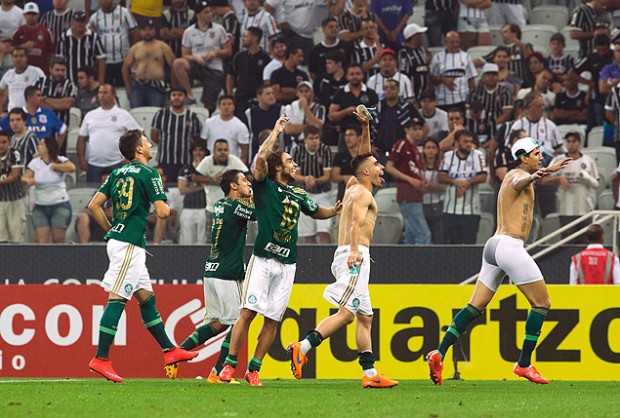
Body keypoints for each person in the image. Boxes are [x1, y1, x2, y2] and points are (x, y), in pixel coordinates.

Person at [426, 137, 571, 386]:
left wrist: (540, 175)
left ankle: (439, 352)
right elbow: (519, 180)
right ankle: (523, 363)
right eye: (536, 154)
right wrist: (540, 174)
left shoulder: (519, 176)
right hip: (508, 246)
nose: (540, 157)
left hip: (494, 246)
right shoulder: (516, 175)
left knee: (475, 306)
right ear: (523, 158)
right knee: (542, 303)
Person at [218, 115, 341, 386]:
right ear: (277, 168)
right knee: (248, 312)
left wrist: (333, 210)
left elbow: (315, 210)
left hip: (288, 264)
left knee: (272, 319)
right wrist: (275, 130)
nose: (294, 164)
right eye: (289, 161)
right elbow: (260, 159)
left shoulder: (297, 194)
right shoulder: (264, 186)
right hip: (262, 259)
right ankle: (228, 366)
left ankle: (254, 369)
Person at [287, 107, 398, 388]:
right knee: (347, 314)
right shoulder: (361, 193)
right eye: (377, 166)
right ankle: (303, 347)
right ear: (366, 172)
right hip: (354, 255)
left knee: (365, 317)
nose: (381, 167)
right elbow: (356, 224)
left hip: (353, 254)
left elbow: (362, 159)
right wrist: (354, 251)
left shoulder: (353, 183)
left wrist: (365, 128)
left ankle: (370, 374)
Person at [87, 129, 198, 383]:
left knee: (146, 299)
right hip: (128, 246)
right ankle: (100, 358)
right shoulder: (150, 173)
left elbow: (93, 205)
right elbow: (161, 212)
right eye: (147, 142)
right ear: (139, 149)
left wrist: (112, 230)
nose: (150, 145)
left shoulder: (116, 173)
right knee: (117, 299)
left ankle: (170, 351)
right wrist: (168, 206)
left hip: (125, 241)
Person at [166, 169, 256, 382]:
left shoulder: (219, 204)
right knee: (238, 322)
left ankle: (176, 354)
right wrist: (257, 197)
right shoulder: (235, 206)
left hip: (212, 270)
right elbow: (258, 215)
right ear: (233, 186)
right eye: (244, 181)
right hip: (227, 273)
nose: (248, 183)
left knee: (218, 323)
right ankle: (219, 372)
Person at [172, 0, 233, 111]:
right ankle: (189, 95)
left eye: (210, 11)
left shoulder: (219, 29)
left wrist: (215, 53)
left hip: (214, 68)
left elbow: (228, 51)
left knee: (208, 105)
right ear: (198, 15)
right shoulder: (188, 31)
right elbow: (184, 54)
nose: (210, 14)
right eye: (206, 12)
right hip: (197, 64)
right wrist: (195, 57)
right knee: (178, 63)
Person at [541, 132, 599, 242]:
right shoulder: (558, 160)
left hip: (585, 210)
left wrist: (587, 178)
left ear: (579, 143)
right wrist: (558, 178)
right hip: (566, 210)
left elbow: (596, 184)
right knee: (567, 245)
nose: (571, 144)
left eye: (574, 141)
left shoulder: (588, 160)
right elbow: (543, 179)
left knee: (585, 244)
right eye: (569, 142)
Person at [78, 84, 142, 183]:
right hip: (93, 164)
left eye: (105, 92)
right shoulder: (90, 115)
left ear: (113, 95)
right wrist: (81, 159)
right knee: (94, 195)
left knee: (118, 195)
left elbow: (139, 135)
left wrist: (132, 156)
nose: (102, 95)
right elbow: (81, 138)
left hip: (117, 163)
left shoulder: (122, 114)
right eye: (100, 93)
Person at [21, 137, 76, 243]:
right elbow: (24, 177)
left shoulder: (61, 160)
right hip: (40, 205)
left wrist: (54, 166)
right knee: (41, 241)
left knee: (58, 240)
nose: (38, 147)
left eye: (41, 144)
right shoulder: (35, 162)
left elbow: (72, 167)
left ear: (48, 147)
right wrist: (31, 181)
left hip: (59, 204)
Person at [385, 118, 431, 245]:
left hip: (416, 196)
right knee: (424, 235)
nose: (418, 132)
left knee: (410, 237)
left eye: (420, 129)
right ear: (407, 130)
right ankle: (419, 264)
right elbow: (389, 167)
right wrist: (410, 180)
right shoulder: (402, 144)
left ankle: (407, 263)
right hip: (407, 196)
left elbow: (417, 171)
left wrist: (424, 181)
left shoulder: (416, 150)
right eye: (414, 129)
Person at [194, 139, 249, 242]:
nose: (223, 152)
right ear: (214, 151)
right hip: (213, 209)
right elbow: (195, 177)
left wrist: (232, 181)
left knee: (234, 241)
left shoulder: (234, 161)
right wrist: (212, 179)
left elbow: (249, 176)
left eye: (225, 150)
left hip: (234, 210)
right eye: (220, 150)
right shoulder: (207, 161)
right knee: (211, 242)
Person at [438, 130, 487, 244]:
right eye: (465, 141)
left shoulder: (478, 155)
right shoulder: (448, 156)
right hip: (450, 209)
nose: (469, 144)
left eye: (470, 141)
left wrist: (466, 183)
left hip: (471, 211)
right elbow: (440, 176)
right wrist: (455, 182)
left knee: (468, 247)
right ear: (457, 142)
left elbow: (483, 176)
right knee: (450, 247)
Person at [150, 86, 202, 182]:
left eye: (180, 95)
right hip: (165, 160)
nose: (177, 97)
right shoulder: (161, 114)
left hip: (185, 160)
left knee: (184, 190)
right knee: (166, 190)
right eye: (174, 95)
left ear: (185, 98)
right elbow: (154, 135)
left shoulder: (192, 117)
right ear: (170, 98)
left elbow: (196, 140)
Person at [292, 125, 333, 244]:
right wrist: (306, 179)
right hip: (304, 195)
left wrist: (314, 180)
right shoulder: (297, 151)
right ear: (305, 139)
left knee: (324, 230)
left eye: (316, 138)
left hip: (323, 194)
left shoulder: (325, 150)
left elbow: (327, 176)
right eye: (311, 138)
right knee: (308, 233)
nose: (314, 141)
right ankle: (311, 261)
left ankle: (327, 260)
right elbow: (295, 175)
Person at [122, 19, 175, 108]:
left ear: (154, 30)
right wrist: (128, 87)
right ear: (140, 31)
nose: (147, 32)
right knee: (137, 112)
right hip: (138, 87)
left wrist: (173, 86)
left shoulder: (163, 46)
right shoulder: (135, 48)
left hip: (156, 86)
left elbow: (173, 66)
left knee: (155, 113)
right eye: (144, 30)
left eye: (150, 29)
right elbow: (125, 67)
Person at [89, 0, 138, 87]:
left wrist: (133, 53)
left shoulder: (124, 13)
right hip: (105, 63)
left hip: (123, 60)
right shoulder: (94, 17)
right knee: (106, 90)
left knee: (124, 88)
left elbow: (134, 33)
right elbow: (90, 35)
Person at [227, 27, 271, 118]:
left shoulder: (266, 58)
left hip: (258, 100)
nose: (243, 39)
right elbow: (230, 75)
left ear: (255, 38)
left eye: (246, 36)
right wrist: (230, 94)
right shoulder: (239, 56)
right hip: (241, 99)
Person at [429, 31, 477, 113]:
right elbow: (431, 78)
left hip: (462, 99)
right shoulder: (438, 57)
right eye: (452, 42)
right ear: (445, 42)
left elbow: (471, 79)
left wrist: (472, 99)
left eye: (457, 42)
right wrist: (442, 80)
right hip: (443, 101)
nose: (455, 44)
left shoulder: (466, 57)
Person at [57, 10, 106, 85]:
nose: (80, 24)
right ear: (72, 22)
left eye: (82, 21)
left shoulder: (93, 37)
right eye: (77, 21)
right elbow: (59, 60)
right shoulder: (64, 37)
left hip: (89, 82)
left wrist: (100, 82)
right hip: (69, 80)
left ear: (86, 22)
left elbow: (101, 59)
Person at [200, 95, 250, 164]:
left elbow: (244, 150)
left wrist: (242, 168)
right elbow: (202, 143)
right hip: (211, 163)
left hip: (232, 164)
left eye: (229, 104)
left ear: (233, 107)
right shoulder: (209, 122)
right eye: (223, 104)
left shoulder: (240, 126)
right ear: (219, 107)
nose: (226, 107)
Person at [177, 141, 208, 245]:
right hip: (188, 208)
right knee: (186, 241)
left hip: (205, 208)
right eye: (195, 150)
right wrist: (201, 187)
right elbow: (182, 190)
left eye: (201, 150)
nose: (198, 153)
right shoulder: (185, 169)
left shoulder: (210, 168)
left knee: (203, 242)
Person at [35, 57, 77, 131]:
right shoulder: (40, 82)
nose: (60, 73)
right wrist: (59, 103)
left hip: (61, 126)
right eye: (57, 70)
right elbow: (35, 102)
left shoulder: (69, 85)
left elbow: (68, 104)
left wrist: (45, 99)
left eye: (63, 70)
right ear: (50, 69)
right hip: (41, 125)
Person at [12, 3, 55, 75]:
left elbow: (51, 52)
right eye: (28, 14)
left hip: (42, 69)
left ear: (38, 15)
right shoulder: (18, 31)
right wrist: (23, 47)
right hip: (23, 71)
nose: (31, 16)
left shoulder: (46, 31)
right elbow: (11, 49)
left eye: (34, 14)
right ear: (24, 15)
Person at [0, 130, 26, 243]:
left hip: (15, 199)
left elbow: (15, 176)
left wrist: (7, 177)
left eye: (4, 142)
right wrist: (5, 177)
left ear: (9, 142)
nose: (1, 145)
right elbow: (9, 176)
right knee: (1, 237)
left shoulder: (15, 154)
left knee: (16, 237)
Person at [0, 47, 45, 112]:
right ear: (12, 58)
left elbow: (45, 89)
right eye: (15, 56)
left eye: (21, 56)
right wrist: (1, 112)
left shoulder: (36, 71)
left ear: (26, 58)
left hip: (31, 112)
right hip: (13, 114)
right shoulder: (8, 74)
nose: (18, 59)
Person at [422, 137, 446, 244]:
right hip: (422, 205)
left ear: (437, 150)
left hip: (438, 205)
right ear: (423, 150)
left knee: (438, 239)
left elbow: (447, 187)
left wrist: (433, 186)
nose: (430, 150)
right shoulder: (418, 168)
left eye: (433, 147)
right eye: (428, 147)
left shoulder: (442, 167)